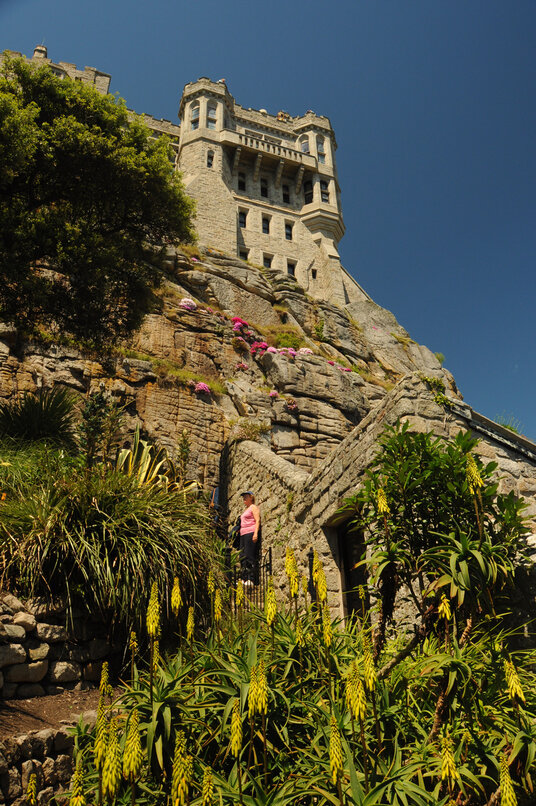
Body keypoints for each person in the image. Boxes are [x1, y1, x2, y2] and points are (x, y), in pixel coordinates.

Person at [239, 491, 261, 585]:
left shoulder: (253, 507)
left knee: (249, 555)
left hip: (250, 532)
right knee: (242, 556)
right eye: (243, 497)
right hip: (243, 534)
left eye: (246, 496)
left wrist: (255, 533)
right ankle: (244, 578)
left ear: (251, 498)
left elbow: (257, 520)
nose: (244, 498)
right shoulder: (246, 509)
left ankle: (250, 578)